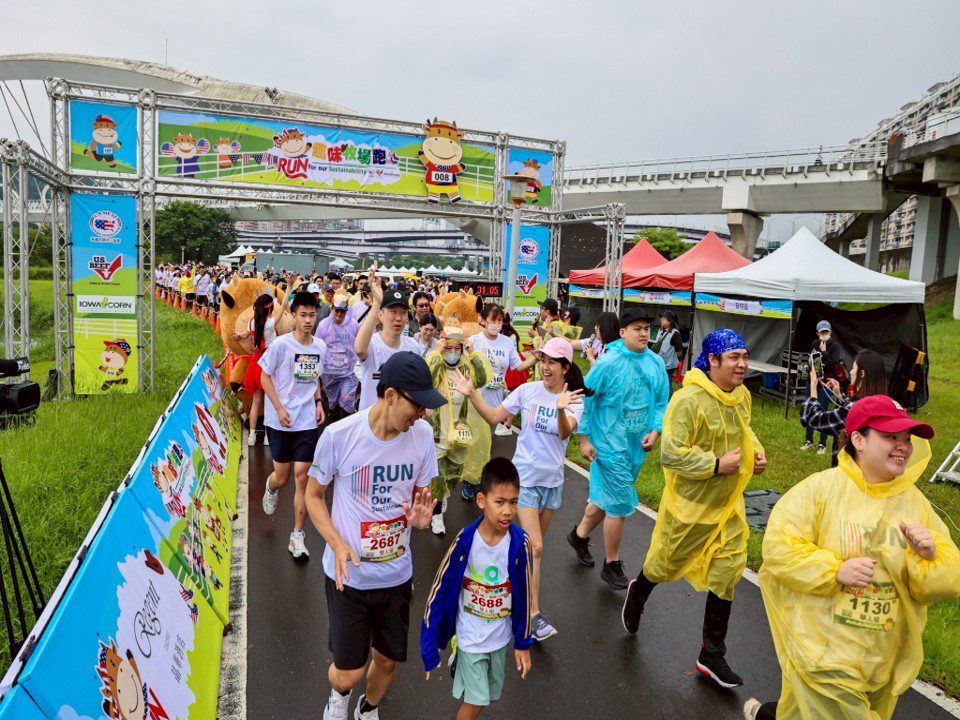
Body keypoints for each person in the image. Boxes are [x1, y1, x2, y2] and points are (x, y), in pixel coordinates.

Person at [745, 396, 960, 720]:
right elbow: (778, 547)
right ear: (858, 439)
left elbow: (946, 581)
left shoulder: (915, 504)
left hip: (881, 660)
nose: (903, 446)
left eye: (907, 439)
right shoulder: (820, 491)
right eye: (891, 436)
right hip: (824, 653)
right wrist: (834, 570)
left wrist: (928, 556)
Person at [621, 329, 767, 689]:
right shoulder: (688, 401)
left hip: (727, 507)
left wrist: (755, 452)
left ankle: (711, 653)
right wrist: (716, 464)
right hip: (689, 509)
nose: (743, 364)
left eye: (745, 356)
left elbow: (743, 431)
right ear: (713, 361)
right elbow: (671, 454)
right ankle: (638, 592)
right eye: (734, 357)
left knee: (729, 569)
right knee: (663, 564)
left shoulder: (742, 396)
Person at [306, 352, 445, 720]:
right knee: (349, 671)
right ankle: (339, 695)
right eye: (417, 405)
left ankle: (367, 710)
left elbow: (420, 496)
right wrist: (336, 543)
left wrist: (420, 517)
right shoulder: (339, 436)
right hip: (348, 576)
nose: (422, 414)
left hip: (396, 575)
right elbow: (313, 495)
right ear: (391, 396)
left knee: (386, 662)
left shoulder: (423, 436)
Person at [453, 337, 585, 643]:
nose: (546, 366)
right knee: (535, 547)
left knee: (530, 552)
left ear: (565, 367)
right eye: (543, 360)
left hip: (552, 483)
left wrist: (562, 409)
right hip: (523, 480)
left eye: (552, 362)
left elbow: (567, 433)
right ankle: (532, 615)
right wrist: (472, 394)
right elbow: (494, 416)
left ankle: (502, 585)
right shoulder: (527, 391)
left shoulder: (575, 398)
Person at [421, 457, 533, 720]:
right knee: (475, 701)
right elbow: (438, 591)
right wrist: (429, 644)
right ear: (482, 501)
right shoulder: (464, 541)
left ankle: (458, 663)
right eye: (500, 502)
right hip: (470, 637)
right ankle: (459, 656)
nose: (508, 511)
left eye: (514, 502)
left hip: (499, 638)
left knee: (486, 699)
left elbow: (525, 594)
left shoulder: (519, 543)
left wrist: (523, 642)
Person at [568, 307, 670, 590]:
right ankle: (611, 564)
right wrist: (584, 439)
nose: (644, 333)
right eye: (637, 328)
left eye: (647, 329)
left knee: (605, 500)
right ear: (622, 332)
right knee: (621, 504)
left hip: (635, 446)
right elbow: (584, 398)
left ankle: (579, 535)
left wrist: (655, 429)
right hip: (607, 445)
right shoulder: (607, 363)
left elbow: (662, 400)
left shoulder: (655, 363)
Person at [259, 291, 327, 559]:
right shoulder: (281, 345)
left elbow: (315, 379)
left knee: (302, 477)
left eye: (312, 315)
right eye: (303, 315)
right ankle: (271, 487)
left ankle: (297, 535)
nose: (308, 320)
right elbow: (264, 377)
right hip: (280, 421)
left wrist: (319, 403)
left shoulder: (319, 346)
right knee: (283, 476)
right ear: (295, 316)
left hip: (307, 421)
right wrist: (278, 407)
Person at [425, 324, 491, 535]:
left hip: (460, 431)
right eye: (449, 348)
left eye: (457, 348)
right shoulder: (437, 364)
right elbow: (427, 379)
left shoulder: (465, 366)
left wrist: (472, 355)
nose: (453, 353)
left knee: (453, 475)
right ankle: (436, 515)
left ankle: (443, 496)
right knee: (436, 475)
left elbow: (481, 380)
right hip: (437, 432)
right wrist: (436, 353)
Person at [803, 348, 888, 466]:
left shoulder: (856, 409)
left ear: (862, 374)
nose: (851, 372)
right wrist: (839, 395)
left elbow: (815, 419)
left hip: (849, 475)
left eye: (854, 368)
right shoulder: (883, 403)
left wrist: (813, 385)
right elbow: (845, 418)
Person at [355, 264, 421, 411]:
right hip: (372, 423)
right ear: (381, 315)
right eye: (393, 312)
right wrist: (377, 302)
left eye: (403, 313)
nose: (398, 318)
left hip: (400, 422)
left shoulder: (413, 347)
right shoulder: (372, 344)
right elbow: (359, 349)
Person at [470, 303, 537, 440]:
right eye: (492, 320)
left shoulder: (507, 342)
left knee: (488, 442)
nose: (496, 324)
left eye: (499, 320)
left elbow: (518, 366)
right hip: (474, 401)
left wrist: (536, 358)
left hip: (495, 402)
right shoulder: (473, 341)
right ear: (483, 320)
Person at [234, 293, 282, 447]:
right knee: (270, 402)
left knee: (256, 402)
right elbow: (285, 304)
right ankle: (269, 436)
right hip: (269, 364)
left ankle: (252, 436)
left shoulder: (251, 322)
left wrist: (239, 336)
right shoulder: (271, 322)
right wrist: (287, 289)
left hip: (256, 363)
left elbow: (246, 334)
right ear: (269, 309)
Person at [801, 320, 846, 455]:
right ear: (817, 333)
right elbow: (812, 361)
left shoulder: (835, 347)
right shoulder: (814, 344)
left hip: (826, 384)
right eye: (822, 332)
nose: (824, 334)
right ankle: (808, 440)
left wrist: (824, 352)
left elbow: (833, 365)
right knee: (810, 409)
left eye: (826, 332)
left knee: (823, 411)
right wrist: (807, 367)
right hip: (812, 381)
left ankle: (822, 443)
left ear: (830, 332)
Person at [316, 291, 361, 423]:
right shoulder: (323, 325)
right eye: (337, 311)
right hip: (329, 372)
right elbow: (318, 345)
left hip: (349, 371)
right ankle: (333, 429)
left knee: (347, 399)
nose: (339, 314)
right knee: (333, 402)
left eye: (343, 311)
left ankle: (346, 427)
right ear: (332, 309)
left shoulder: (353, 324)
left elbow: (359, 342)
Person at [650, 309, 684, 395]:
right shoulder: (660, 330)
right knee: (658, 384)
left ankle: (668, 402)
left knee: (667, 386)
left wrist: (675, 361)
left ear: (670, 321)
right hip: (658, 363)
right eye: (662, 318)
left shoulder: (675, 334)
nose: (662, 320)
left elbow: (679, 351)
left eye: (664, 318)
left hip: (668, 366)